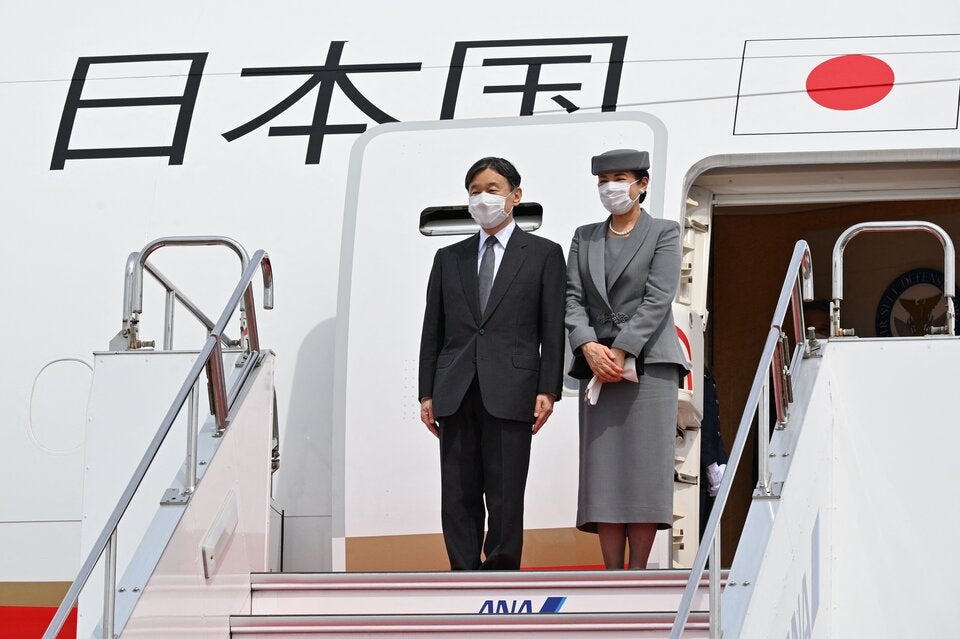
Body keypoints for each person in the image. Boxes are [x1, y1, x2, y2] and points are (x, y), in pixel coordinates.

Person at [418, 157, 566, 570]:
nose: (483, 198)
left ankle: (501, 572)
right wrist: (427, 392)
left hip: (513, 390)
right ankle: (462, 574)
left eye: (492, 189)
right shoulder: (449, 258)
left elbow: (552, 328)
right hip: (455, 389)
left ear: (515, 196)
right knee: (458, 492)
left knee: (505, 492)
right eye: (475, 191)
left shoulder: (544, 254)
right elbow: (433, 330)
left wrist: (548, 389)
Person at [565, 148, 689, 569]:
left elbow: (659, 297)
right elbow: (572, 299)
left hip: (648, 365)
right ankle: (611, 574)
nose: (610, 188)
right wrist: (588, 345)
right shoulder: (584, 237)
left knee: (644, 468)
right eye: (603, 181)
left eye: (619, 179)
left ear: (642, 183)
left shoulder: (664, 232)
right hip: (598, 366)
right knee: (603, 469)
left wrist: (621, 348)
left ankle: (637, 573)